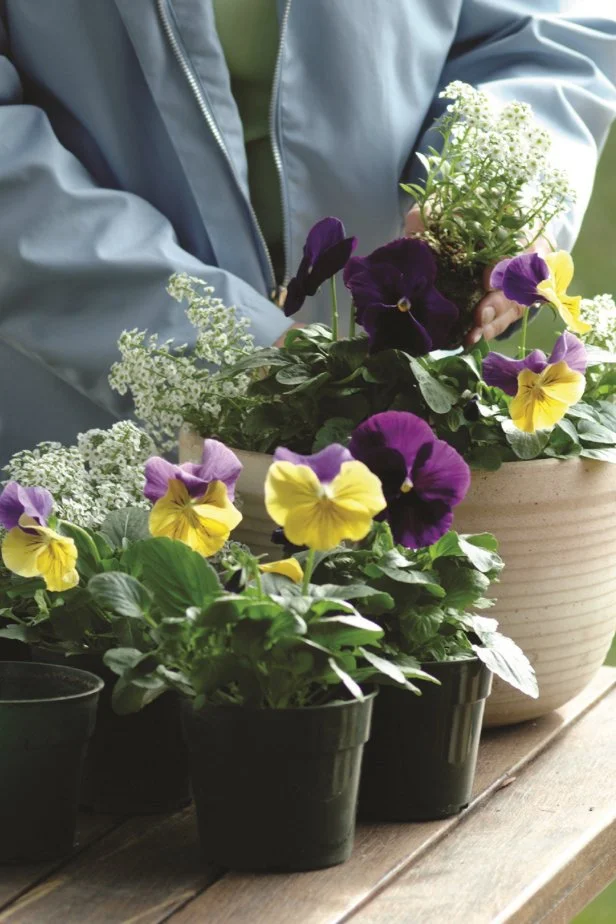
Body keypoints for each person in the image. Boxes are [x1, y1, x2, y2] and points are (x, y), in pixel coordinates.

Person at [0, 0, 614, 463]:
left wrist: (498, 190)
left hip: (382, 397)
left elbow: (543, 32)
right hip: (72, 417)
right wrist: (234, 356)